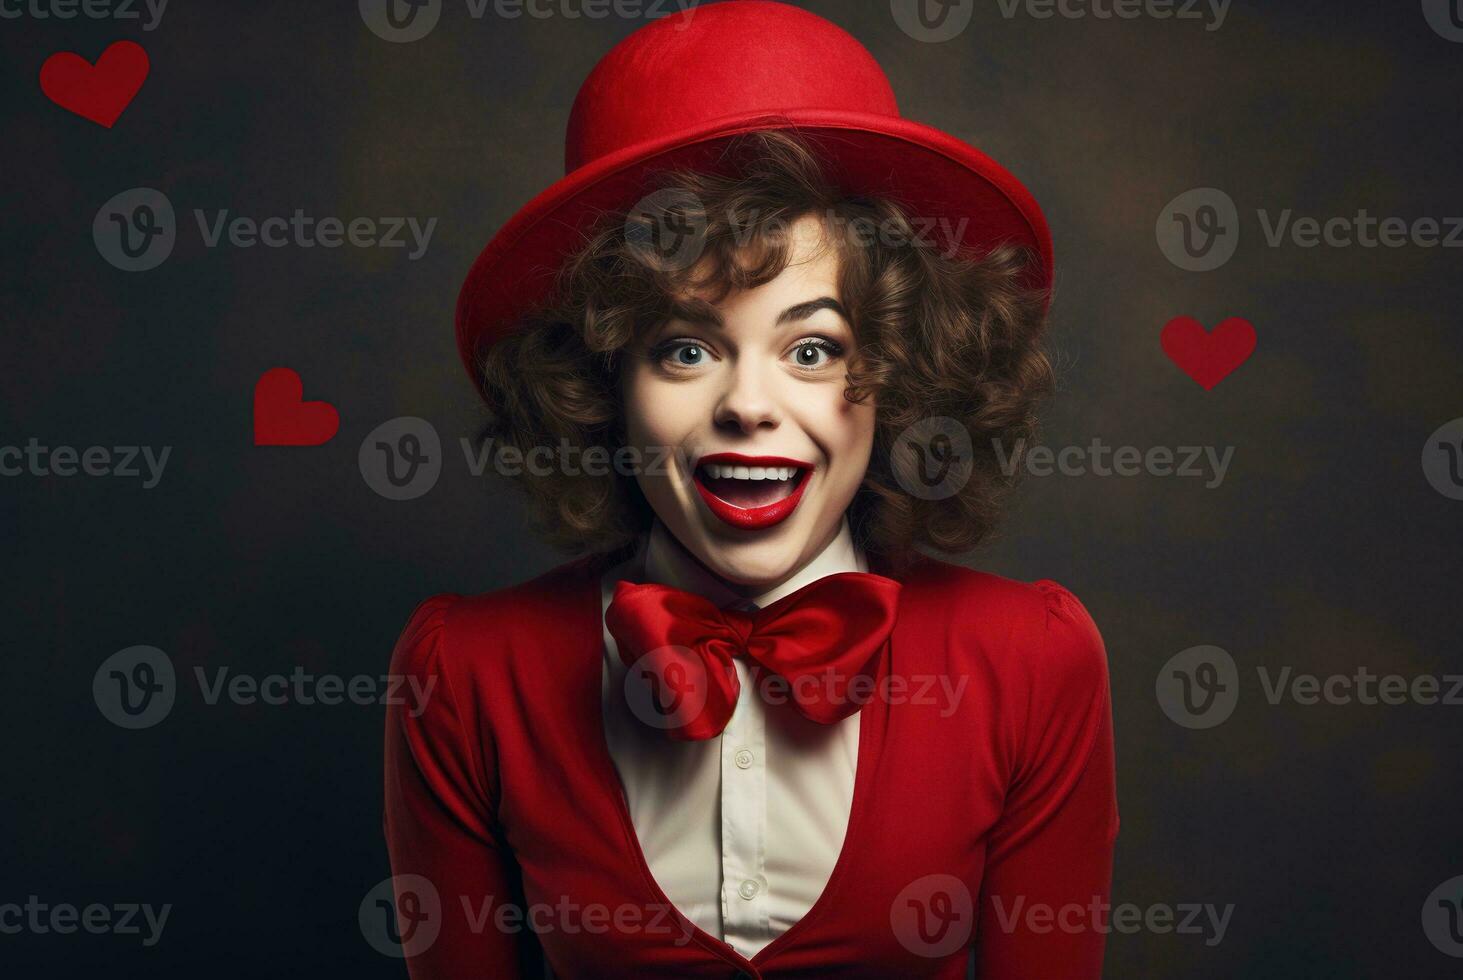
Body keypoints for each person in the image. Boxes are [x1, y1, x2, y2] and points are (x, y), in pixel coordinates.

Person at [384, 3, 1118, 977]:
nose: (748, 406)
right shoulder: (467, 673)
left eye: (811, 348)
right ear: (604, 383)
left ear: (895, 373)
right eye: (686, 349)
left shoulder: (1030, 662)